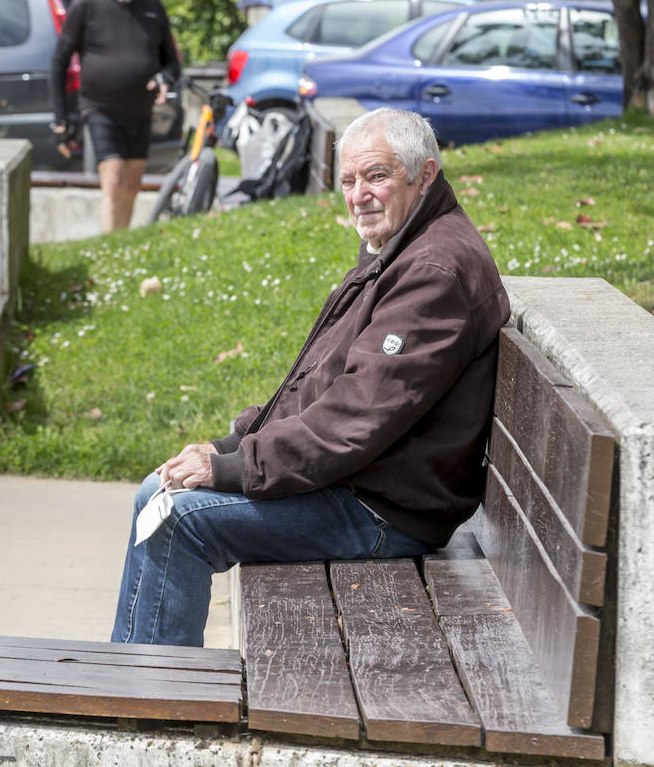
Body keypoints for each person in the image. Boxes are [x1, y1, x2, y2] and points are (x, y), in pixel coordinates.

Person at [111, 108, 510, 647]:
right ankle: (132, 677)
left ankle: (152, 696)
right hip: (362, 481)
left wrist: (233, 469)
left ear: (426, 175)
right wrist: (229, 445)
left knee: (179, 520)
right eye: (348, 180)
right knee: (155, 494)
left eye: (376, 176)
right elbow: (323, 384)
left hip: (384, 510)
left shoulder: (431, 272)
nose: (359, 195)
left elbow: (353, 422)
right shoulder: (400, 249)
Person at [49, 0, 180, 233]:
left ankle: (122, 241)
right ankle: (111, 244)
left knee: (133, 184)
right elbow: (59, 61)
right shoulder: (87, 5)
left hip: (140, 111)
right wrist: (60, 120)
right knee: (114, 179)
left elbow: (172, 62)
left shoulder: (152, 7)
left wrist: (164, 78)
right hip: (100, 108)